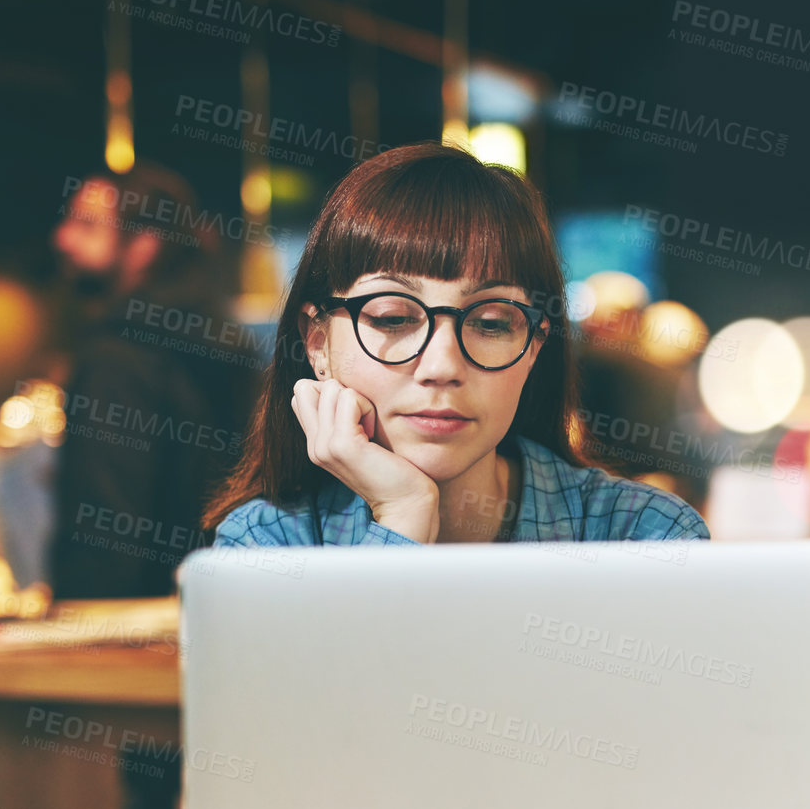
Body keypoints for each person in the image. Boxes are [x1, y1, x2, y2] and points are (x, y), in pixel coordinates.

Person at [204, 142, 709, 547]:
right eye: (393, 317)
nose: (441, 366)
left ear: (533, 347)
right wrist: (401, 516)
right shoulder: (270, 546)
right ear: (318, 344)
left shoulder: (644, 538)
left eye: (490, 324)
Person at [47, 162, 258, 599]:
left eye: (87, 225)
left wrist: (79, 632)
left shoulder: (117, 356)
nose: (63, 238)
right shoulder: (223, 343)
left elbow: (104, 517)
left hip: (122, 626)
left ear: (145, 245)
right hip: (217, 604)